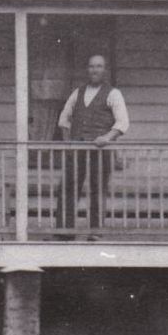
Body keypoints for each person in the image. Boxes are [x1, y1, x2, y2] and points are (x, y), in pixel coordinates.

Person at [56, 55, 129, 234]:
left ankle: (95, 233)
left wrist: (107, 137)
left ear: (104, 70)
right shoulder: (77, 92)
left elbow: (122, 123)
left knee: (97, 189)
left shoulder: (113, 93)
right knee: (67, 188)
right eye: (91, 66)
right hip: (77, 149)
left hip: (100, 150)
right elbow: (64, 120)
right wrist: (69, 143)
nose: (94, 70)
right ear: (87, 69)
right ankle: (65, 233)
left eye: (99, 66)